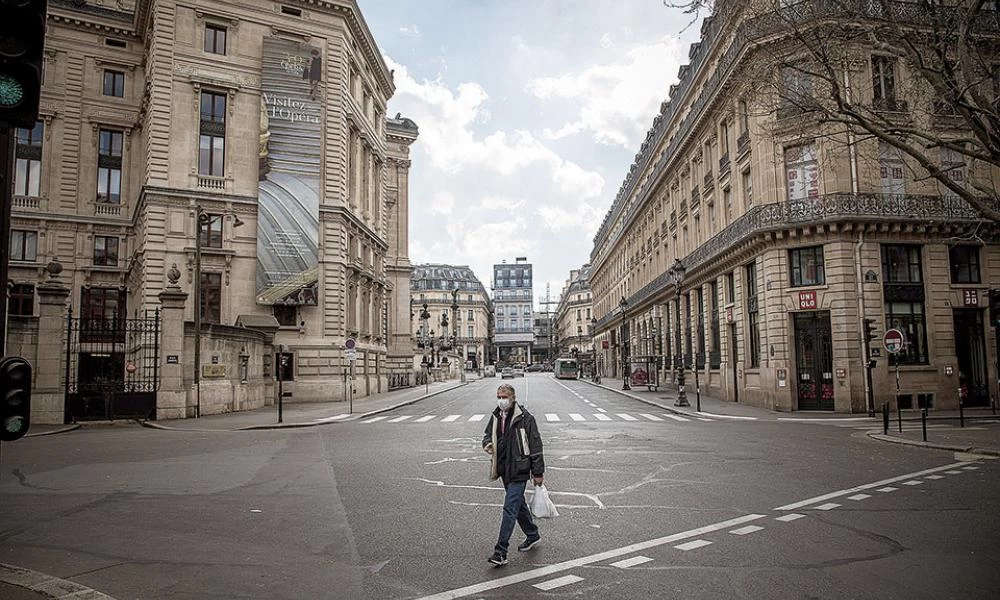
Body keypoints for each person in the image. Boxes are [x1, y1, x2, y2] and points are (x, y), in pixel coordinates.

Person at [482, 383, 545, 566]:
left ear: (512, 398)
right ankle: (532, 535)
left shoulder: (525, 418)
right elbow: (487, 435)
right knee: (519, 505)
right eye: (499, 396)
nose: (501, 400)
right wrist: (488, 444)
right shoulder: (495, 416)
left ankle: (500, 551)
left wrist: (538, 472)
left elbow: (535, 445)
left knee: (510, 508)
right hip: (503, 468)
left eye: (504, 397)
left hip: (520, 469)